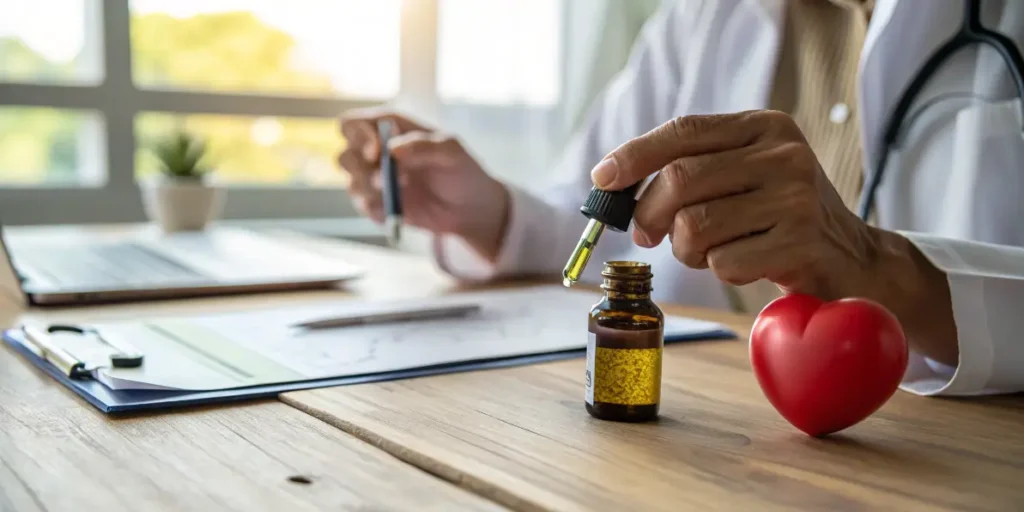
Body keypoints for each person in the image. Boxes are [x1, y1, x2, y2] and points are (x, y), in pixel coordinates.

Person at [337, 0, 1024, 397]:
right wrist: (488, 215)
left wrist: (886, 269)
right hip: (720, 426)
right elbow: (604, 214)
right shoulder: (704, 13)